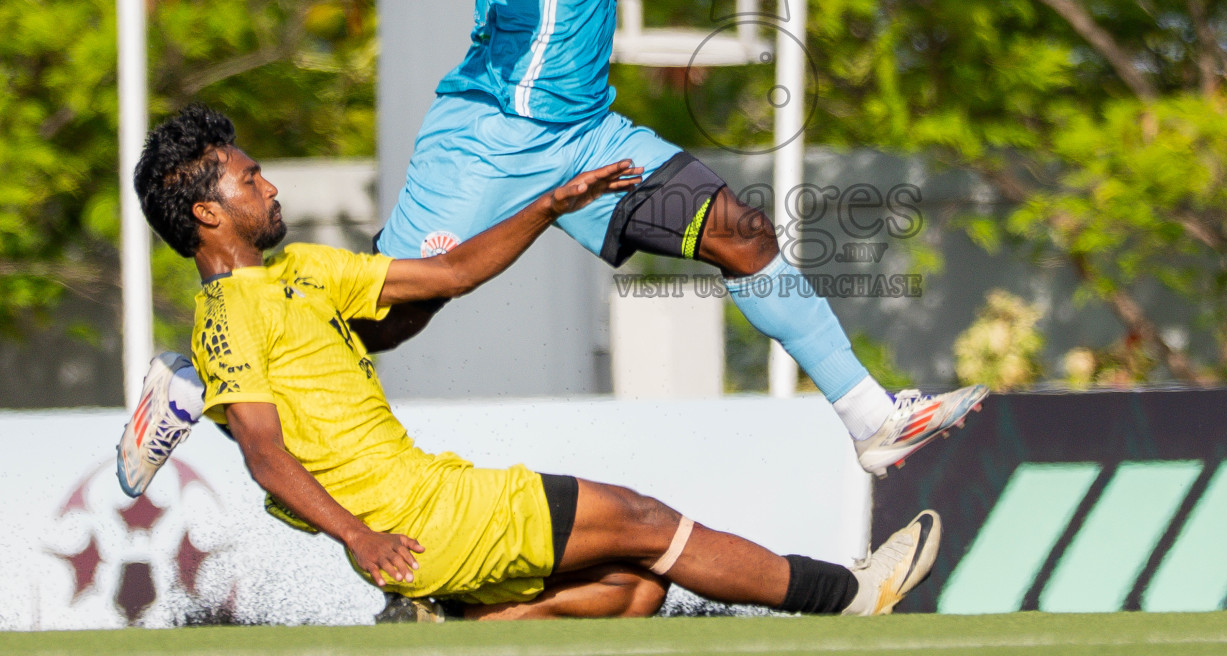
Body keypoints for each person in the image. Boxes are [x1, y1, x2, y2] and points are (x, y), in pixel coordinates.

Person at [267, 0, 985, 474]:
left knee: (739, 231)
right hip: (493, 137)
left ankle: (871, 418)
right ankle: (202, 375)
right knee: (388, 315)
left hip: (585, 137)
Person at [122, 105, 940, 621]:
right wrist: (361, 538)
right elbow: (266, 455)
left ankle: (450, 631)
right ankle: (850, 595)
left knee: (635, 590)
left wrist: (548, 205)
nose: (268, 185)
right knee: (645, 519)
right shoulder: (229, 318)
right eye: (248, 178)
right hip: (417, 521)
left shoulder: (301, 269)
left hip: (430, 500)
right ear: (206, 212)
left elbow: (449, 273)